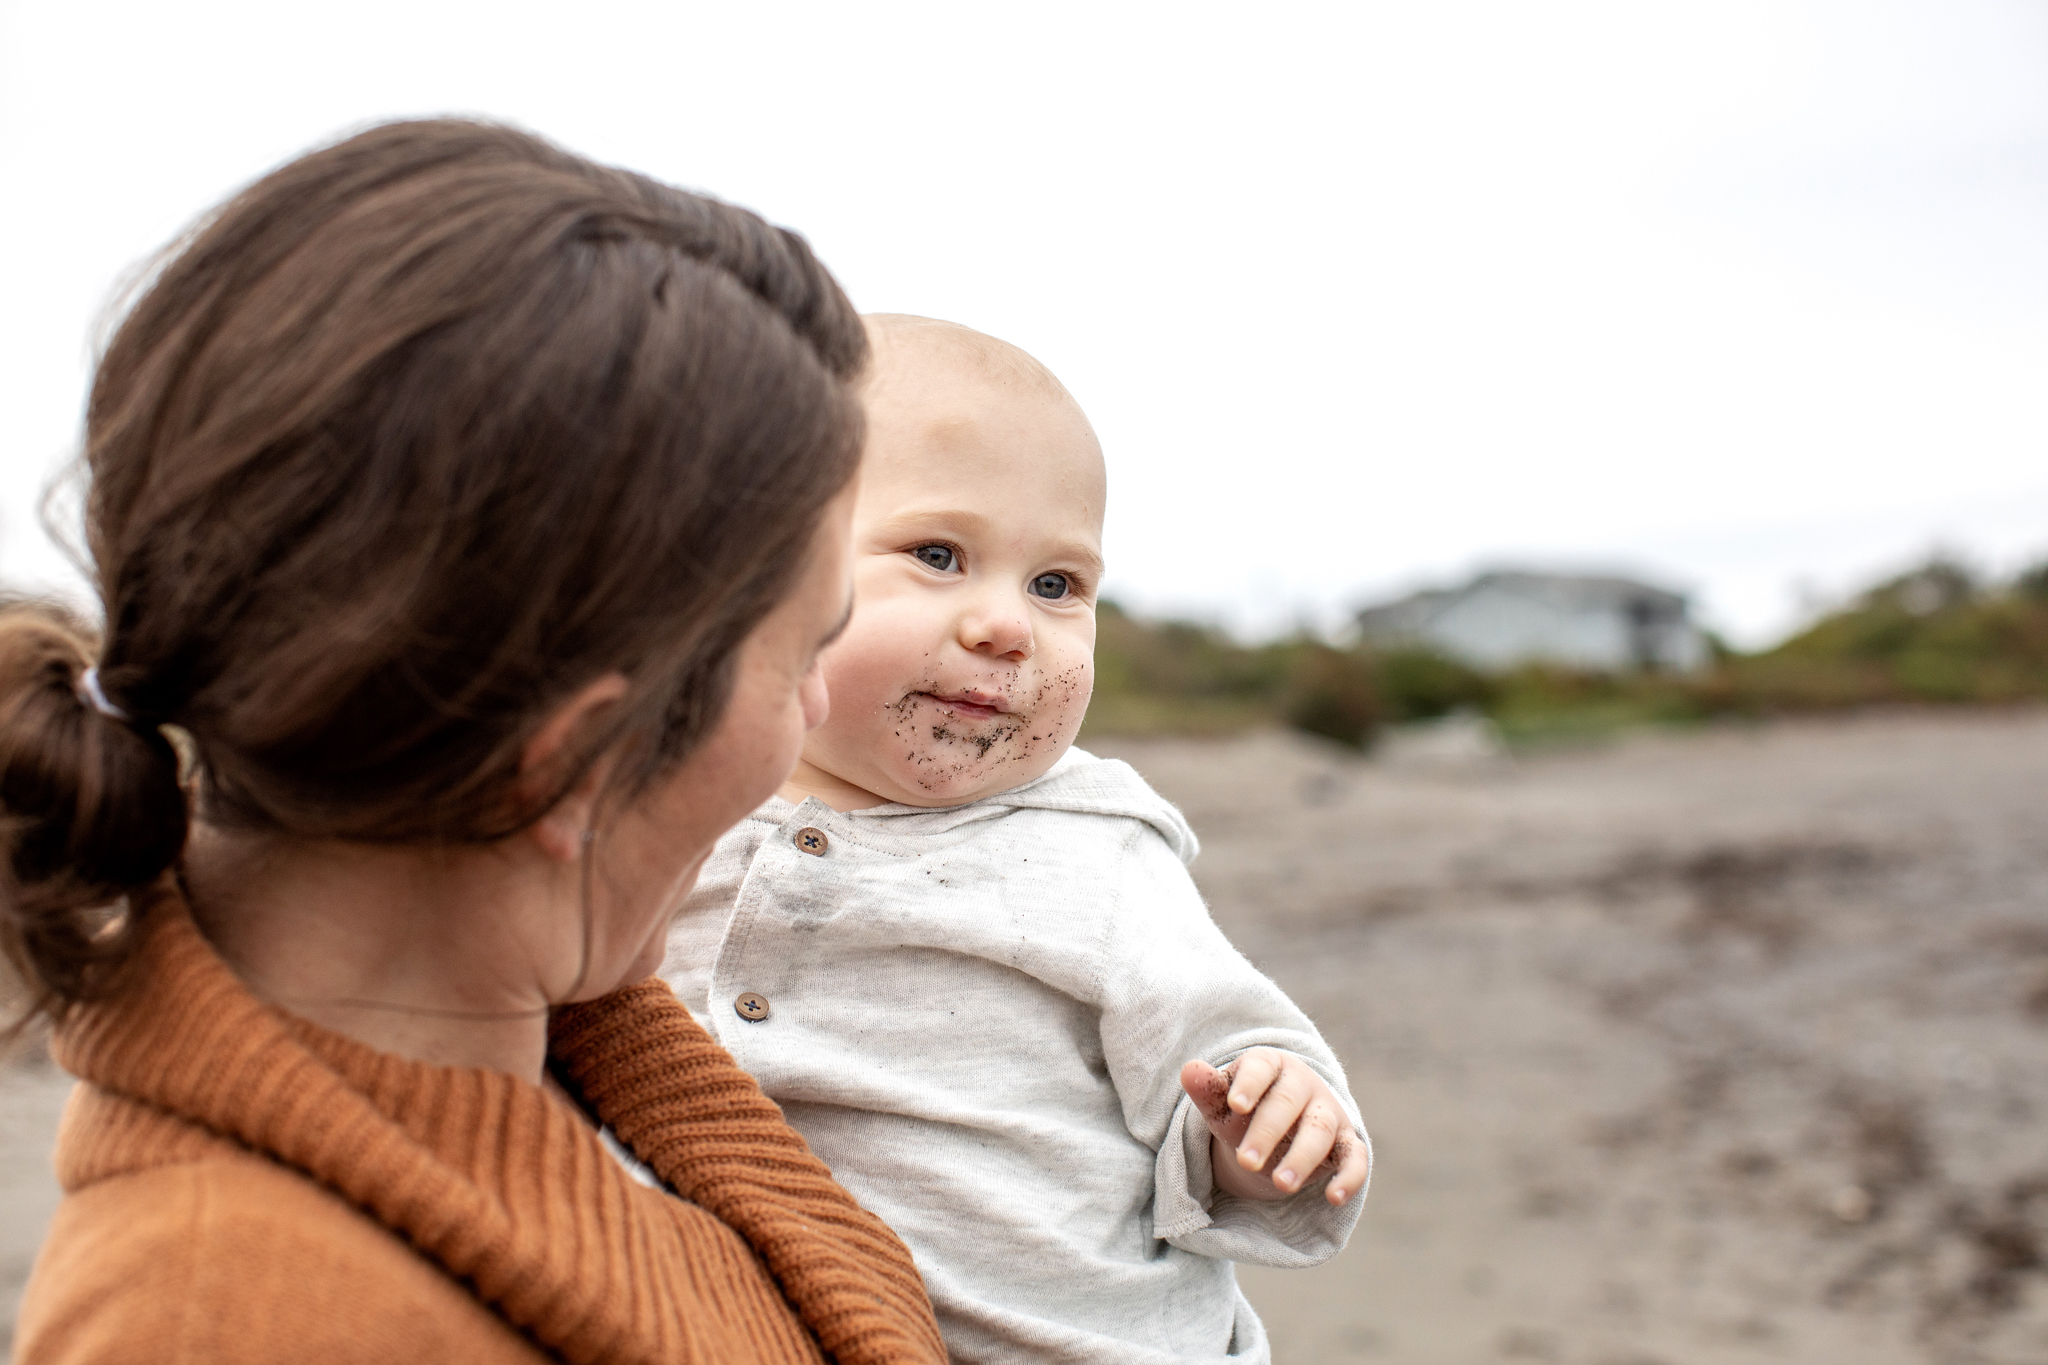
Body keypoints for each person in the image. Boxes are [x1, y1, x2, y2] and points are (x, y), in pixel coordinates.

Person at [2, 120, 946, 1365]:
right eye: (802, 651)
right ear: (571, 760)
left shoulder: (576, 1052)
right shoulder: (220, 1322)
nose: (820, 712)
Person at [661, 315, 1370, 1363]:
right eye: (938, 555)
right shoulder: (674, 814)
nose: (1008, 626)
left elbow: (1217, 1046)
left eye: (1056, 586)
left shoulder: (1090, 852)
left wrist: (1262, 1131)